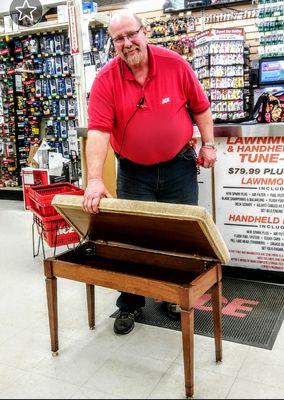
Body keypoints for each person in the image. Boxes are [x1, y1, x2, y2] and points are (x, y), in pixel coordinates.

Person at [83, 11, 217, 335]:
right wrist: (95, 180)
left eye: (132, 34)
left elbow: (200, 107)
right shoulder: (105, 79)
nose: (127, 43)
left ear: (145, 32)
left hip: (179, 166)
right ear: (112, 44)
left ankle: (173, 297)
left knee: (180, 237)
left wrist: (209, 144)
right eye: (119, 39)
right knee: (134, 240)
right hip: (133, 172)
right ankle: (130, 304)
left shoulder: (174, 64)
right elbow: (99, 132)